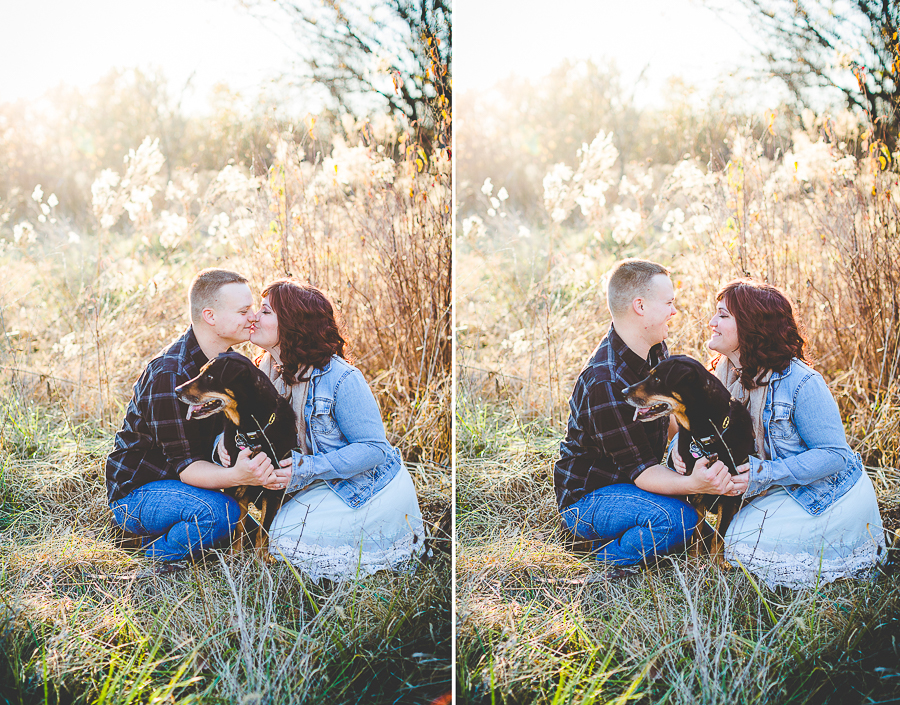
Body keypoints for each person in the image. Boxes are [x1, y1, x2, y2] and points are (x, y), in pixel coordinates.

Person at [219, 278, 425, 581]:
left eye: (264, 312)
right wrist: (225, 446)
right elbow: (240, 423)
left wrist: (306, 467)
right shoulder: (261, 372)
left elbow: (374, 449)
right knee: (272, 535)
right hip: (311, 483)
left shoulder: (341, 379)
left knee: (285, 540)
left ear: (290, 324)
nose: (253, 317)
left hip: (362, 487)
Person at [555, 259, 748, 568]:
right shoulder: (605, 382)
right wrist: (697, 483)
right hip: (590, 501)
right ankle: (599, 561)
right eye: (669, 303)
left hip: (631, 488)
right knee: (682, 522)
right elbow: (643, 471)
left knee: (721, 534)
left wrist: (690, 451)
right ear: (640, 306)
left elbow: (671, 413)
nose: (675, 311)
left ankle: (641, 530)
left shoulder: (653, 349)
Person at [698, 279, 885, 588]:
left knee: (741, 544)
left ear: (750, 325)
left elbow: (834, 455)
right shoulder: (723, 376)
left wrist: (764, 473)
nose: (711, 323)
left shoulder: (801, 382)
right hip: (777, 488)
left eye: (722, 315)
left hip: (827, 494)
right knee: (730, 539)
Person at [106, 268, 278, 563]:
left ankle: (184, 530)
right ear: (210, 316)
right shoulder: (170, 375)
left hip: (186, 487)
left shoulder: (230, 364)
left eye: (252, 308)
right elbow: (187, 467)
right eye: (243, 311)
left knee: (255, 533)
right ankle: (148, 558)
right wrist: (237, 475)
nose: (252, 317)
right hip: (140, 494)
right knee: (224, 515)